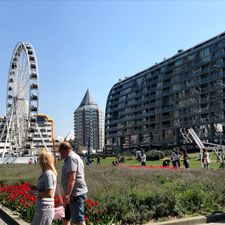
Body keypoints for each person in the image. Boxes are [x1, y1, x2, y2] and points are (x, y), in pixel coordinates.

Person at [59, 142, 88, 225]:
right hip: (72, 194)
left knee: (79, 220)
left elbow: (72, 177)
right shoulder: (73, 157)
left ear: (64, 150)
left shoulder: (71, 158)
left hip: (75, 194)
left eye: (60, 152)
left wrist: (67, 195)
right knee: (66, 216)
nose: (60, 155)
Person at [31, 150, 57, 225]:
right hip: (43, 208)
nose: (38, 161)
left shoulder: (48, 174)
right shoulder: (46, 173)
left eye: (40, 159)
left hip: (45, 208)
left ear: (44, 161)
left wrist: (35, 192)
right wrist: (36, 188)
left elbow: (50, 194)